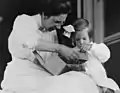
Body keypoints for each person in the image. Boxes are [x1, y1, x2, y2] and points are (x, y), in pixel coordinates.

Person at [0, 0, 100, 93]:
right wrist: (60, 48)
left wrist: (72, 66)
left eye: (62, 23)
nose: (59, 27)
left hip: (45, 77)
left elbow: (50, 65)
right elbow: (30, 42)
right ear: (44, 15)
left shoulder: (52, 33)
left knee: (81, 80)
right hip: (23, 77)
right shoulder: (25, 21)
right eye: (57, 21)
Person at [70, 18, 120, 93]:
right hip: (85, 86)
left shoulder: (94, 49)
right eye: (77, 39)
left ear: (90, 39)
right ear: (73, 40)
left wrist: (92, 47)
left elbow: (106, 55)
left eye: (84, 39)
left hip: (101, 83)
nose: (81, 42)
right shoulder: (73, 53)